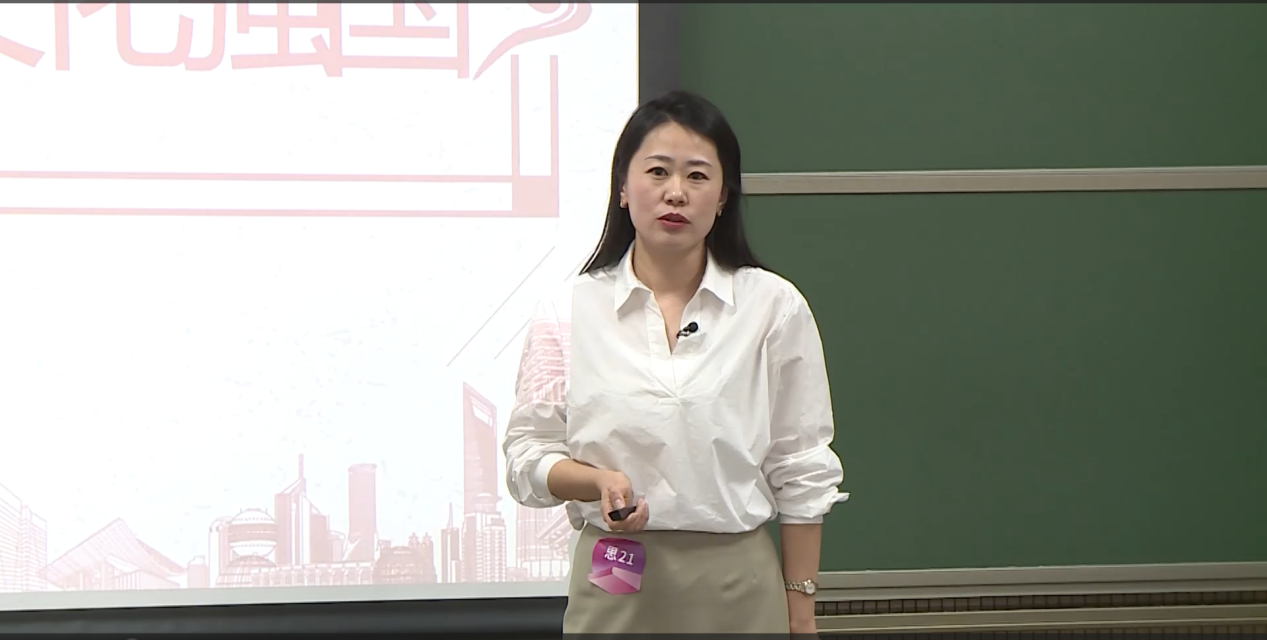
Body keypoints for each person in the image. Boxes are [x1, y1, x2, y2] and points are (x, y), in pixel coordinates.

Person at [502, 89, 846, 634]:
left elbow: (801, 465)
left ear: (724, 196)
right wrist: (597, 482)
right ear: (623, 187)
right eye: (658, 171)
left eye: (698, 176)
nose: (676, 193)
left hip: (739, 580)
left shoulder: (773, 307)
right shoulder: (568, 310)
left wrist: (800, 611)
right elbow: (528, 456)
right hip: (616, 572)